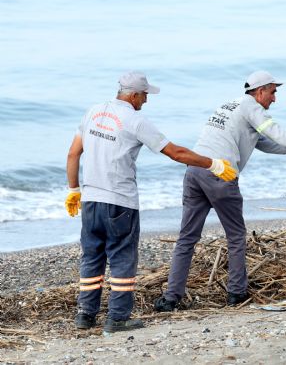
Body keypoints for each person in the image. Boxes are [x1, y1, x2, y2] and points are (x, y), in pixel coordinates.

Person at [65, 71, 237, 334]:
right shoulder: (135, 120)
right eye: (144, 95)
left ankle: (85, 315)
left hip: (90, 200)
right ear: (133, 95)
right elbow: (175, 152)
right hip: (119, 201)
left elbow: (73, 153)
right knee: (122, 257)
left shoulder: (93, 112)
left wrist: (74, 189)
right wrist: (212, 163)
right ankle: (118, 318)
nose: (146, 100)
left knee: (92, 257)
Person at [153, 71, 286, 311]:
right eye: (273, 92)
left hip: (194, 172)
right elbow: (282, 136)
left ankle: (171, 298)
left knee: (187, 238)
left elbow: (264, 143)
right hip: (220, 174)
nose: (274, 99)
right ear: (260, 91)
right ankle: (236, 294)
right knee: (236, 236)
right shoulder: (252, 108)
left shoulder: (231, 106)